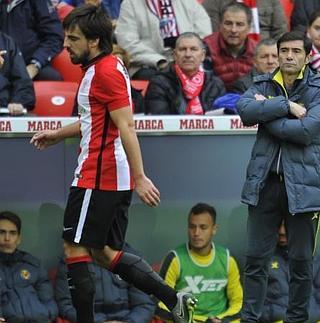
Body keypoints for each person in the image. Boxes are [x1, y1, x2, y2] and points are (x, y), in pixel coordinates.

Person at [29, 6, 196, 323]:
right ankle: (175, 300)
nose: (66, 45)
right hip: (108, 176)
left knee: (73, 248)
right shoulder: (107, 66)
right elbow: (95, 120)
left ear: (93, 41)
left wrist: (141, 177)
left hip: (97, 176)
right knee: (103, 253)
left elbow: (126, 127)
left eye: (73, 38)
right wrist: (57, 134)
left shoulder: (104, 72)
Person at [236, 30, 320, 322]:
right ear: (277, 54)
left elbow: (307, 131)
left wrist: (266, 118)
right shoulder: (263, 82)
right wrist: (285, 106)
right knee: (255, 261)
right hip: (264, 184)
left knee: (302, 264)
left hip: (305, 188)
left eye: (296, 51)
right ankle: (249, 319)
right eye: (284, 51)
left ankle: (297, 319)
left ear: (307, 56)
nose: (289, 56)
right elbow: (244, 109)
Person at [157, 203, 243, 322]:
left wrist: (222, 321)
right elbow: (160, 304)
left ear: (214, 229)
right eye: (192, 227)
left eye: (203, 227)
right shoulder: (175, 259)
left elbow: (238, 302)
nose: (196, 233)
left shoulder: (227, 259)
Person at [54, 244, 156, 323]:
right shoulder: (73, 260)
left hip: (126, 319)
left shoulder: (131, 258)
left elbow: (145, 304)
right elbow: (65, 305)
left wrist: (129, 322)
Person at [115, 0, 211, 80]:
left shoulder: (189, 2)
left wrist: (189, 55)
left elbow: (204, 35)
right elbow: (127, 43)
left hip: (188, 59)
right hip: (149, 65)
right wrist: (160, 61)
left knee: (211, 76)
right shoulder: (130, 4)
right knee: (170, 79)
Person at [261, 224, 320, 323]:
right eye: (278, 225)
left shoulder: (314, 258)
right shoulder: (260, 260)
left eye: (286, 225)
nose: (282, 232)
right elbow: (255, 309)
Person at [144, 32, 226, 115]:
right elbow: (159, 120)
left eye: (193, 49)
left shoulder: (215, 84)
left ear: (203, 55)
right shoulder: (159, 83)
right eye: (182, 49)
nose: (188, 54)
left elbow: (222, 118)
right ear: (174, 55)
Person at [0, 211, 58, 322]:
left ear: (19, 239)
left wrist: (47, 316)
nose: (7, 238)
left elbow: (49, 301)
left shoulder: (33, 265)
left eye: (12, 233)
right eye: (2, 232)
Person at [0, 0, 64, 81]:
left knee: (52, 78)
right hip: (3, 65)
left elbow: (55, 37)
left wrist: (35, 65)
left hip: (31, 64)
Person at [203, 2, 257, 90]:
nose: (233, 30)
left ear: (249, 28)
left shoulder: (257, 51)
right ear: (220, 25)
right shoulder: (206, 47)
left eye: (239, 24)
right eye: (228, 23)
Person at [202, 0, 287, 41]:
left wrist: (272, 52)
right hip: (226, 54)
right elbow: (212, 34)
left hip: (265, 54)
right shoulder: (213, 2)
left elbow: (280, 31)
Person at [0, 31, 35, 116]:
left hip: (4, 111)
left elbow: (23, 82)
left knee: (31, 122)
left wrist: (18, 102)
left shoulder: (6, 42)